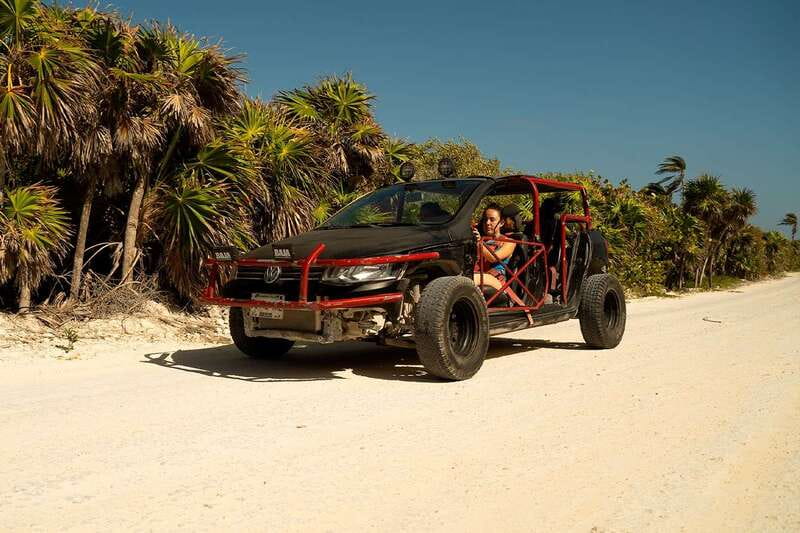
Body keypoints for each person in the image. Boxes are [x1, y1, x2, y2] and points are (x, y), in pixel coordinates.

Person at [472, 204, 516, 290]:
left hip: (496, 279)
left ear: (501, 223)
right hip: (477, 274)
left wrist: (478, 242)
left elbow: (493, 258)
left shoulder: (509, 242)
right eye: (485, 220)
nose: (487, 223)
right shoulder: (481, 239)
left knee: (466, 280)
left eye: (492, 220)